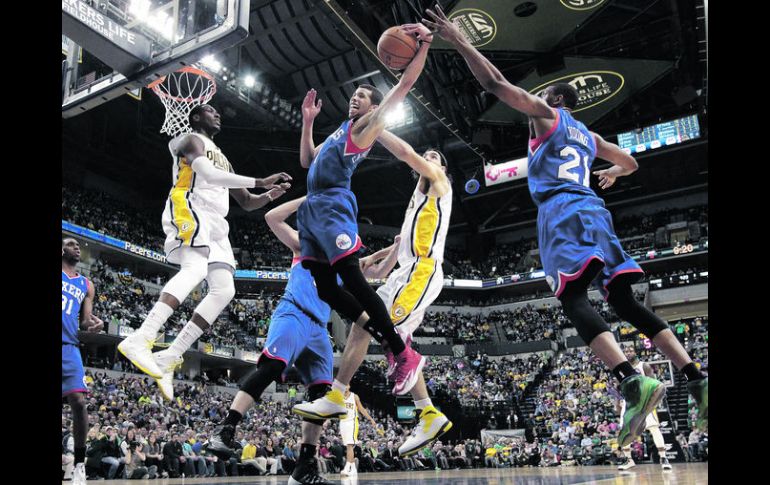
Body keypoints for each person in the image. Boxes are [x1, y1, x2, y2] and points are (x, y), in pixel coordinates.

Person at [422, 3, 708, 446]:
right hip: (596, 210)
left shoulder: (546, 116)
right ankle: (695, 377)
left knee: (572, 295)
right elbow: (631, 161)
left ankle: (631, 379)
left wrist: (458, 39)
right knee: (625, 301)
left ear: (553, 101)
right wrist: (612, 173)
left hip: (562, 212)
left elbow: (495, 83)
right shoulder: (589, 137)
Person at [291, 22, 434, 423]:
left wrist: (422, 46)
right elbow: (306, 161)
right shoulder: (338, 131)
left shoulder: (366, 127)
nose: (354, 98)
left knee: (352, 281)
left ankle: (401, 350)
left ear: (373, 108)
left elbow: (404, 85)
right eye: (353, 95)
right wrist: (306, 121)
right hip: (313, 210)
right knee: (325, 287)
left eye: (362, 96)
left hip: (335, 205)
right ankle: (382, 335)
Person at [117, 103, 291, 401]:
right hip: (190, 203)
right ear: (196, 116)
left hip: (216, 223)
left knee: (224, 290)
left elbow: (247, 202)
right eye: (212, 110)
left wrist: (267, 195)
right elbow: (206, 174)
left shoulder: (223, 157)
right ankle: (141, 338)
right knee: (194, 270)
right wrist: (260, 179)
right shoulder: (188, 140)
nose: (219, 113)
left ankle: (170, 356)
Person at [208, 196, 369, 485]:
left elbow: (374, 269)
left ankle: (304, 467)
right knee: (270, 368)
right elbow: (272, 218)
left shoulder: (341, 265)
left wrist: (396, 249)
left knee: (321, 398)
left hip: (319, 328)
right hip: (293, 312)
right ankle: (225, 430)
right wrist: (310, 197)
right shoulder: (304, 245)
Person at [373, 131, 454, 456]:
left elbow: (406, 151)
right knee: (370, 321)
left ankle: (413, 372)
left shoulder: (437, 181)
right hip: (402, 274)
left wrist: (376, 128)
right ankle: (427, 411)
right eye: (429, 155)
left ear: (442, 169)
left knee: (394, 333)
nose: (430, 159)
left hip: (422, 270)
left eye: (436, 157)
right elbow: (380, 269)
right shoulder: (415, 205)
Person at [62, 238, 104, 485]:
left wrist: (95, 324)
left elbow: (85, 321)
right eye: (71, 243)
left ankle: (79, 464)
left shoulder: (87, 284)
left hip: (69, 346)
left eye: (79, 245)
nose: (77, 247)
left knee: (79, 401)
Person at [615, 347, 672, 471]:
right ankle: (629, 460)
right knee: (626, 430)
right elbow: (618, 387)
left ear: (635, 352)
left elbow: (655, 383)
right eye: (626, 351)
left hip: (645, 401)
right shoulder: (621, 369)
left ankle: (663, 458)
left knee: (654, 428)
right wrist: (617, 402)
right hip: (628, 403)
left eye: (630, 350)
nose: (628, 353)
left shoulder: (643, 366)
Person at [339, 386, 382, 477]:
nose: (345, 387)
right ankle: (353, 469)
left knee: (350, 445)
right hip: (342, 422)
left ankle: (347, 467)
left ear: (349, 386)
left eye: (346, 384)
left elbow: (362, 409)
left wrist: (370, 419)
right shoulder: (339, 396)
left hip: (352, 422)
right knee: (347, 446)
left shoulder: (354, 396)